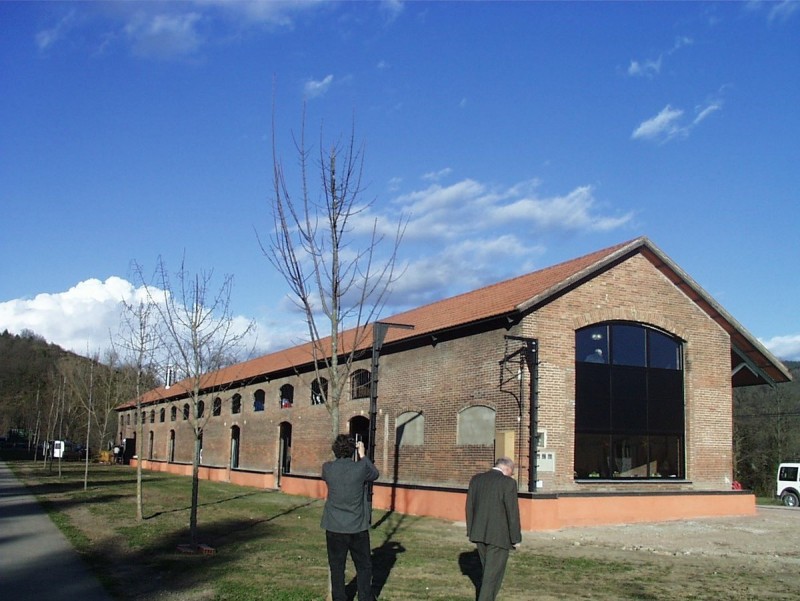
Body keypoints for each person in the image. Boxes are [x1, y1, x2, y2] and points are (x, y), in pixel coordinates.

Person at [321, 434, 379, 601]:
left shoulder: (327, 468)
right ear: (352, 449)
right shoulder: (360, 468)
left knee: (337, 567)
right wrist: (362, 454)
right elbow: (374, 474)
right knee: (363, 566)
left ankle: (339, 597)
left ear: (335, 450)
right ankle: (365, 597)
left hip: (334, 526)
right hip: (357, 527)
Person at [465, 456, 522, 601]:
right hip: (499, 536)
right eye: (512, 472)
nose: (512, 475)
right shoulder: (508, 483)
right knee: (493, 575)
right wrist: (516, 538)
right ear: (507, 469)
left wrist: (471, 530)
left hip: (478, 532)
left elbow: (469, 507)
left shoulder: (476, 480)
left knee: (488, 571)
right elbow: (512, 512)